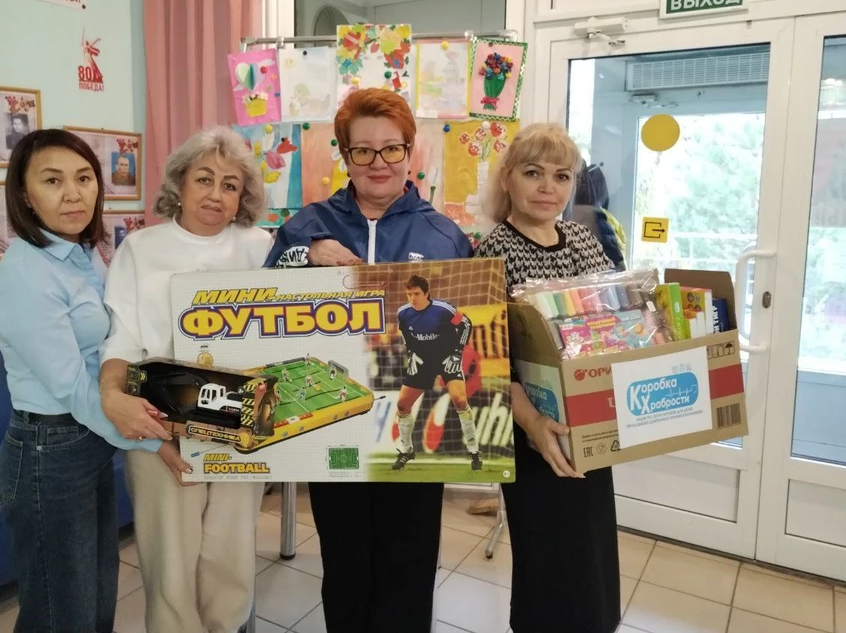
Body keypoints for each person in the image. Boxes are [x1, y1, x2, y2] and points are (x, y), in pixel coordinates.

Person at [265, 87, 473, 633]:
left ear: (410, 151)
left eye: (391, 148)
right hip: (335, 421)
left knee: (410, 565)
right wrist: (305, 255)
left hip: (418, 428)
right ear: (345, 155)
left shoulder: (445, 235)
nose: (378, 163)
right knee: (346, 565)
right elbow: (261, 305)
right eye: (362, 150)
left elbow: (470, 329)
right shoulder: (307, 225)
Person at [0, 129, 185, 633]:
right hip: (46, 452)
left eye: (84, 178)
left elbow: (110, 348)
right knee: (61, 612)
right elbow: (75, 387)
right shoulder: (25, 273)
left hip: (87, 441)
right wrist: (154, 441)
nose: (73, 194)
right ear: (25, 195)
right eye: (53, 181)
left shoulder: (83, 253)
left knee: (95, 600)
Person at [98, 127, 272, 633]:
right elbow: (122, 338)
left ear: (243, 196)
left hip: (242, 418)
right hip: (162, 418)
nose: (216, 194)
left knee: (231, 551)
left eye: (230, 185)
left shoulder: (261, 247)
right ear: (180, 183)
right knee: (171, 557)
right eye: (204, 179)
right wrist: (113, 394)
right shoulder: (140, 248)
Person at [474, 123, 620, 633]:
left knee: (593, 552)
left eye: (561, 176)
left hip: (590, 419)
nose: (547, 187)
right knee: (548, 558)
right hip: (533, 429)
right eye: (533, 172)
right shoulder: (491, 253)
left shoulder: (582, 238)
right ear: (508, 179)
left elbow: (613, 317)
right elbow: (488, 361)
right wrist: (534, 424)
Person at [394, 274, 480, 471]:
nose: (412, 298)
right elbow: (405, 333)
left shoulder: (443, 309)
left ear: (427, 294)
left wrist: (457, 353)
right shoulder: (403, 313)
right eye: (409, 294)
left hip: (446, 359)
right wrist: (411, 353)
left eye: (416, 294)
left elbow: (466, 324)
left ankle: (474, 452)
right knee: (402, 405)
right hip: (423, 362)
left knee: (460, 400)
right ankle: (406, 451)